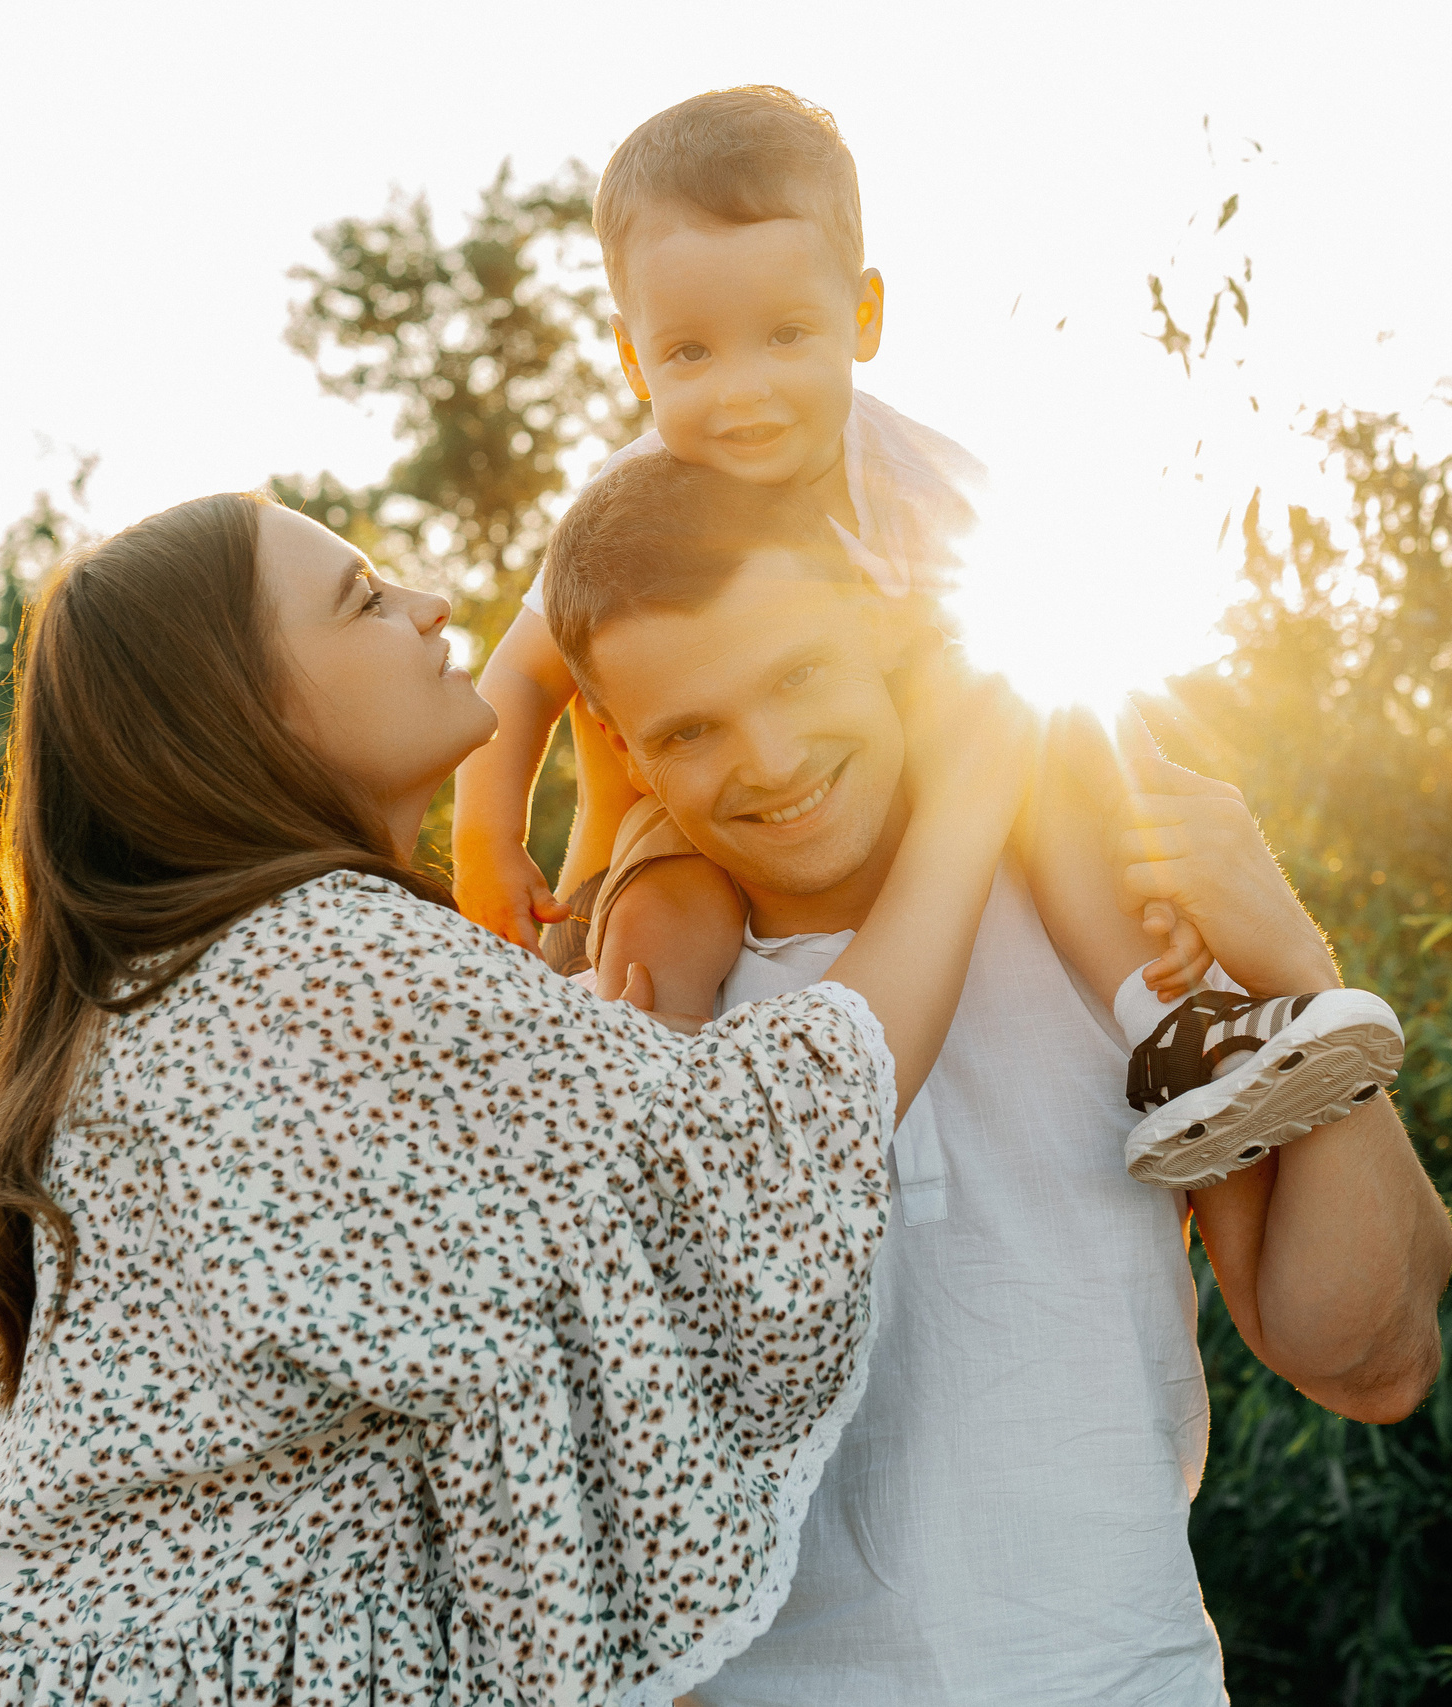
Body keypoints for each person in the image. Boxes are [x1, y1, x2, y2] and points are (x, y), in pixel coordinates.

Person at [0, 492, 1041, 1707]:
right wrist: (969, 806)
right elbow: (768, 1135)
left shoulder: (211, 972)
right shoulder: (323, 961)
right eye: (362, 600)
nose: (429, 603)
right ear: (245, 711)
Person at [540, 454, 1452, 1704]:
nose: (768, 760)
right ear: (618, 746)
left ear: (872, 619)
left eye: (796, 673)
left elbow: (1369, 1364)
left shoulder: (1114, 924)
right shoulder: (621, 1010)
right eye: (689, 729)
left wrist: (1298, 968)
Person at [452, 85, 1396, 1185]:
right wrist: (487, 839)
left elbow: (1061, 671)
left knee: (1033, 769)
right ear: (631, 359)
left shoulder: (925, 482)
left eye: (786, 336)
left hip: (884, 799)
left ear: (863, 315)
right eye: (691, 355)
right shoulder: (626, 504)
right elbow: (517, 679)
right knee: (667, 916)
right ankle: (638, 1118)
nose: (743, 392)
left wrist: (1153, 849)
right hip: (688, 813)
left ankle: (1161, 1028)